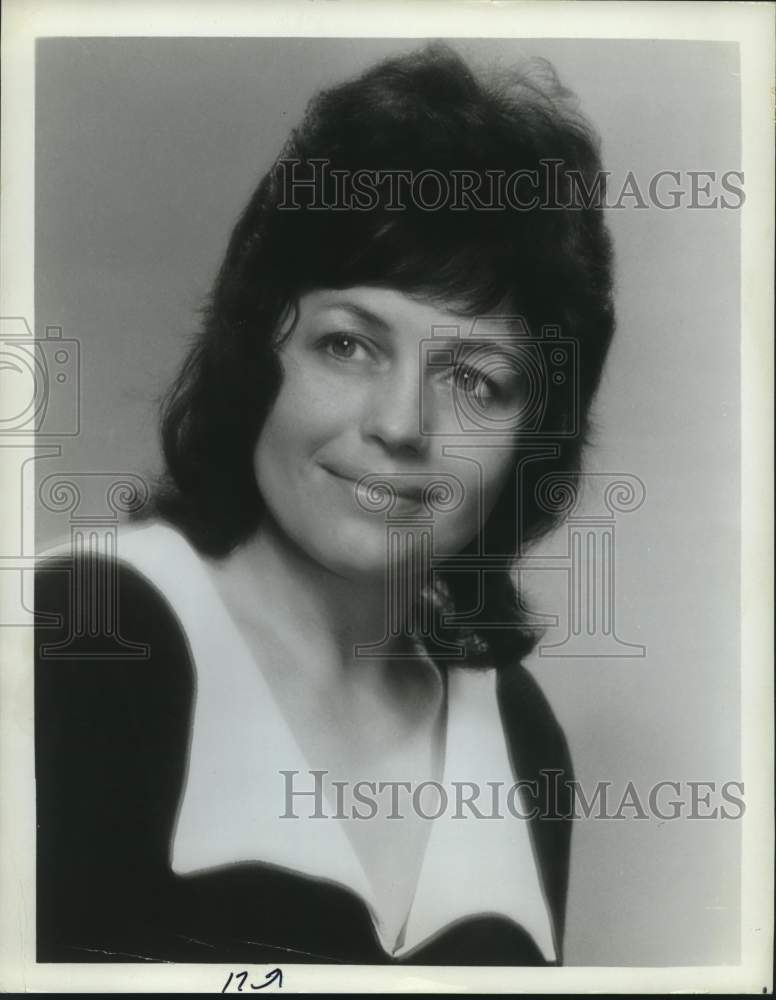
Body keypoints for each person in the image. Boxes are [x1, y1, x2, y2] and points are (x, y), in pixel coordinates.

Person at [35, 42, 615, 966]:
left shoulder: (520, 733)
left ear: (534, 439)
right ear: (256, 346)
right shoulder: (78, 637)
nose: (401, 425)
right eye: (350, 346)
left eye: (475, 378)